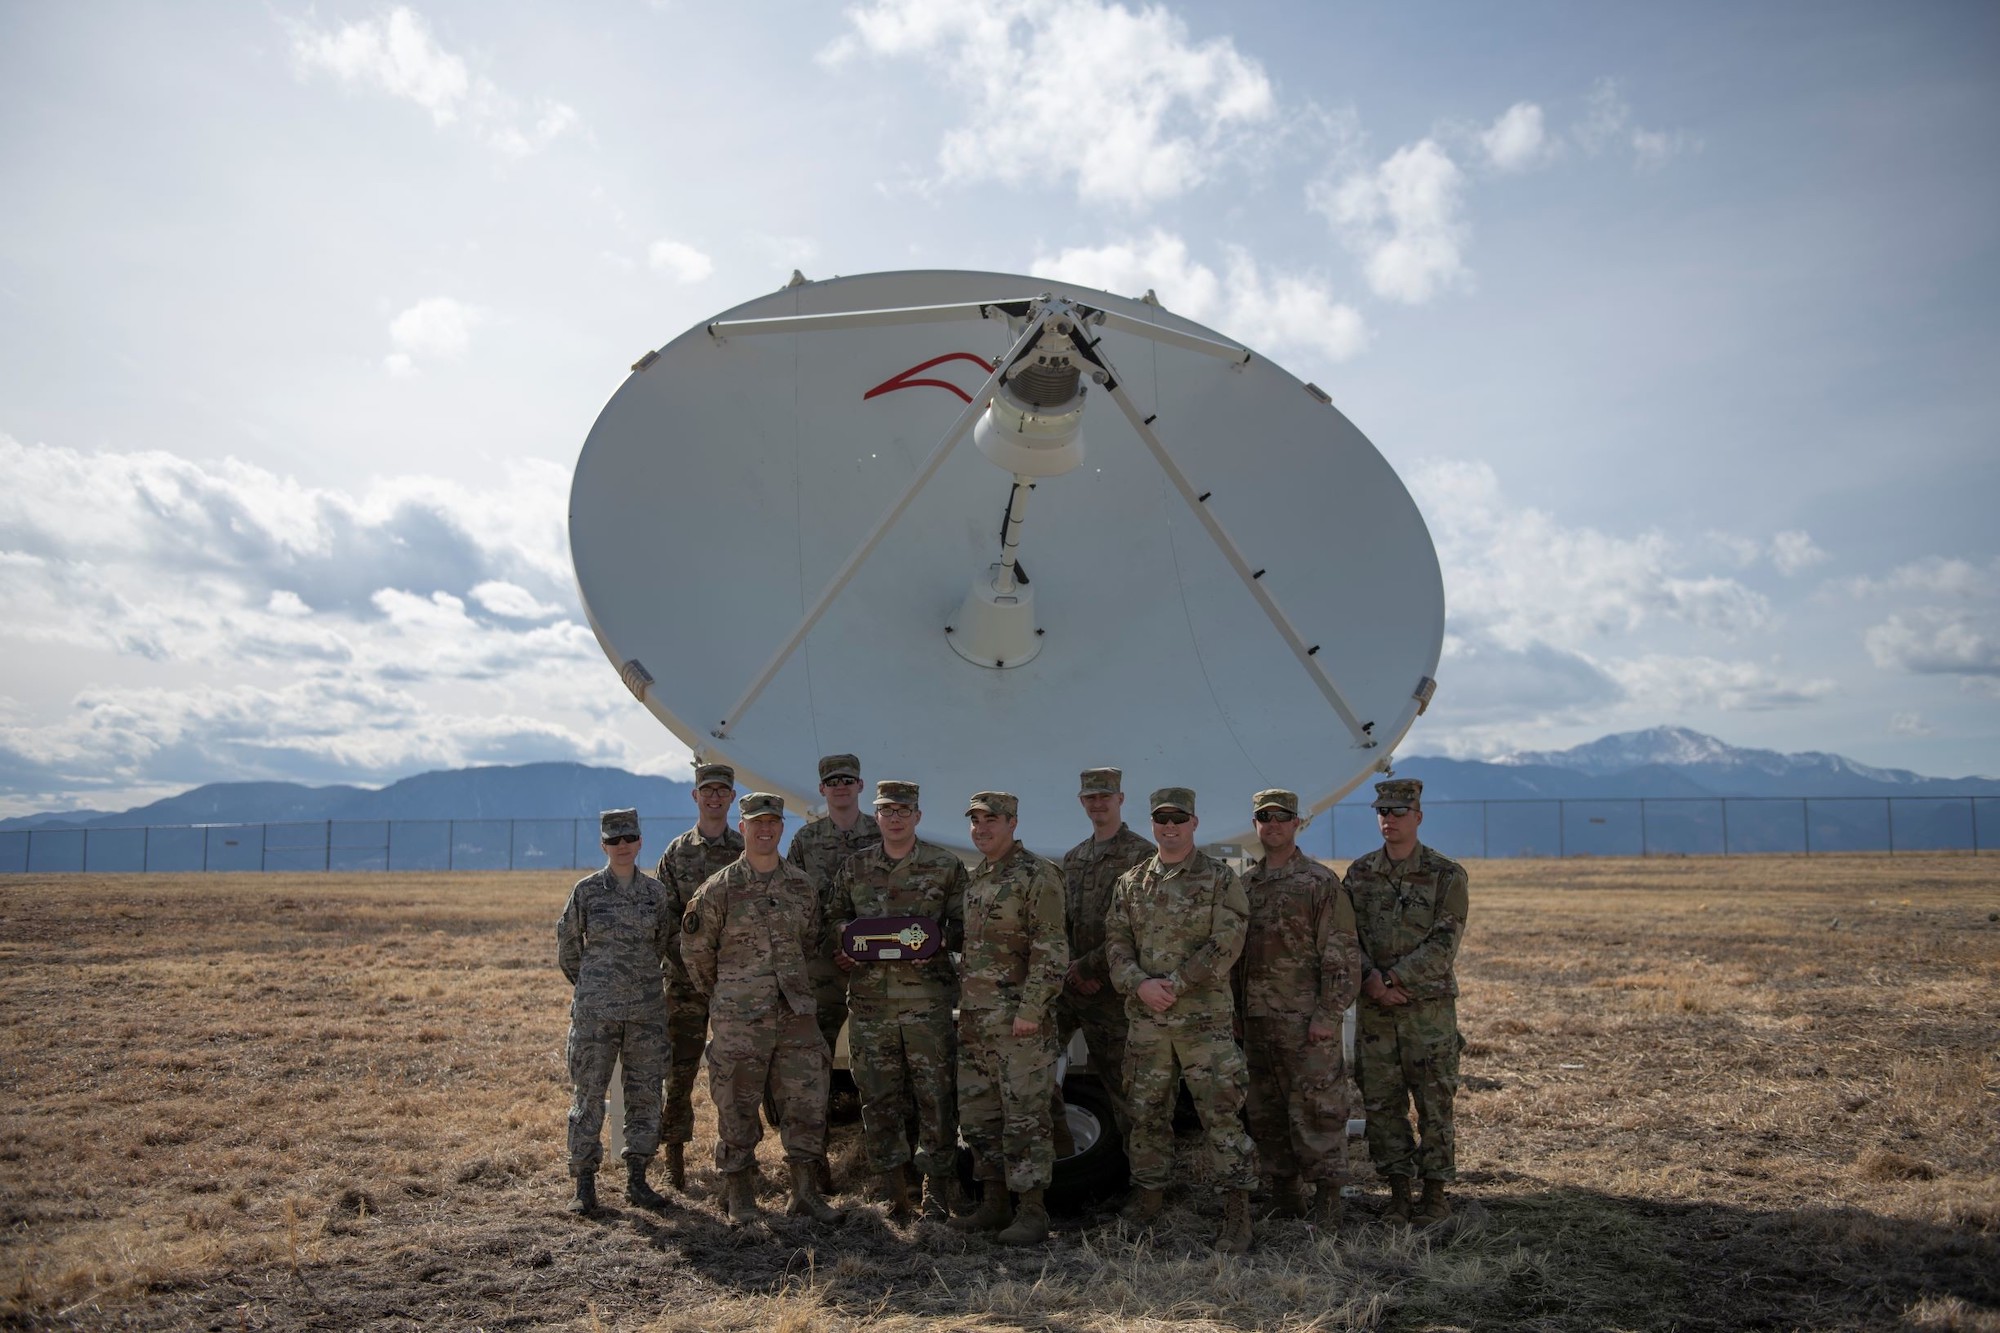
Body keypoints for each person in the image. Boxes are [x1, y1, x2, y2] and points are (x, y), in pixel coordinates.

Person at [1104, 787, 1257, 1254]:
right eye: (1161, 820)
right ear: (1152, 824)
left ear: (1194, 822)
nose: (1169, 828)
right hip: (1148, 1021)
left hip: (1201, 1023)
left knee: (1221, 1113)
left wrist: (1175, 983)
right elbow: (1115, 944)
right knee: (1146, 1112)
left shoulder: (1218, 879)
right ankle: (1149, 1194)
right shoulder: (1131, 882)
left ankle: (1237, 1209)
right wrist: (1139, 984)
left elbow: (1227, 942)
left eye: (1178, 819)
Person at [679, 792, 841, 1226]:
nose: (765, 829)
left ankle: (805, 1194)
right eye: (756, 822)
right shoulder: (718, 889)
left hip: (795, 1015)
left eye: (772, 821)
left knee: (806, 1101)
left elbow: (810, 942)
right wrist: (731, 995)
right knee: (736, 1105)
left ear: (781, 827)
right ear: (743, 826)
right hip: (739, 1019)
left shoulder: (801, 886)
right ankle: (740, 1195)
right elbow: (696, 955)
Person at [830, 779, 968, 1220]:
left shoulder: (944, 866)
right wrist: (848, 943)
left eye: (903, 811)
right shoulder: (855, 867)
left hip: (927, 1002)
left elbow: (966, 922)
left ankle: (937, 1189)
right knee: (878, 1096)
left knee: (936, 1096)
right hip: (870, 1003)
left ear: (917, 816)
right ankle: (894, 1189)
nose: (894, 818)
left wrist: (940, 940)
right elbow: (833, 917)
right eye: (887, 810)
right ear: (877, 815)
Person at [1233, 788, 1364, 1228]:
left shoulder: (1319, 882)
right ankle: (1284, 1193)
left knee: (1317, 1110)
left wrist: (1329, 1015)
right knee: (1265, 1112)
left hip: (1307, 1024)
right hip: (1256, 1022)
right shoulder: (1245, 886)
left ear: (1297, 823)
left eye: (1282, 817)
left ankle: (1328, 1198)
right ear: (1255, 824)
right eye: (1264, 817)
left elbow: (1342, 954)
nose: (1273, 824)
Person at [1342, 778, 1470, 1227]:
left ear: (1418, 815)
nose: (1389, 819)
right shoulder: (1359, 874)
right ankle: (1397, 1193)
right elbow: (1346, 939)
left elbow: (1444, 942)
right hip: (1377, 1013)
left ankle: (1435, 1195)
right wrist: (1371, 980)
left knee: (1435, 1104)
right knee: (1381, 1104)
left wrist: (1394, 976)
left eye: (1399, 812)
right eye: (1383, 812)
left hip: (1426, 1013)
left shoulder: (1445, 874)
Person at [952, 791, 1069, 1245]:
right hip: (978, 1022)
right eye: (975, 820)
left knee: (1025, 1118)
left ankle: (1032, 1212)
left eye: (991, 819)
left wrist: (1032, 1010)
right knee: (981, 1117)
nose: (982, 828)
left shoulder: (1038, 875)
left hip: (1021, 1025)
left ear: (1013, 822)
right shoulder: (977, 879)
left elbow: (1051, 949)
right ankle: (994, 1204)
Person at [555, 808, 673, 1214]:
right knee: (588, 1096)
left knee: (644, 1095)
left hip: (644, 1013)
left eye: (629, 839)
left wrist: (633, 983)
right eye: (614, 840)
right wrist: (594, 986)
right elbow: (569, 947)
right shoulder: (586, 892)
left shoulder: (656, 894)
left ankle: (637, 1179)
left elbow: (662, 946)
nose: (622, 846)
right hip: (596, 1014)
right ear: (603, 845)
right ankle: (584, 1184)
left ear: (640, 842)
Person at [785, 752, 881, 1189]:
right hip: (823, 967)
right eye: (832, 781)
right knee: (814, 1062)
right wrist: (835, 946)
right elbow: (799, 905)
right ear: (822, 789)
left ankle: (883, 1164)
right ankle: (814, 1162)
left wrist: (860, 950)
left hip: (875, 966)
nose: (840, 787)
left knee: (879, 1060)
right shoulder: (806, 841)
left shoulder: (882, 834)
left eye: (849, 779)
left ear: (861, 786)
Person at [650, 761, 743, 1191]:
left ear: (731, 797)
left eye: (722, 791)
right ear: (695, 796)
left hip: (731, 983)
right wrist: (692, 959)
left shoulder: (743, 851)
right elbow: (664, 917)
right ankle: (674, 1154)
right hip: (685, 985)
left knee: (735, 1072)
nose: (714, 797)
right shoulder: (675, 853)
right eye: (707, 790)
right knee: (680, 1070)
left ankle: (737, 1159)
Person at [1053, 767, 1154, 1145]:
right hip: (1071, 987)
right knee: (1031, 1069)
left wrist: (1089, 966)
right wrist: (1071, 967)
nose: (1098, 803)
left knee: (1126, 1091)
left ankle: (1139, 1180)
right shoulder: (1074, 857)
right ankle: (1062, 1153)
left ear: (1120, 799)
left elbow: (1137, 927)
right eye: (1090, 797)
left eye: (1105, 797)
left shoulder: (1141, 855)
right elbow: (1064, 919)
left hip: (1113, 993)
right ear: (1082, 802)